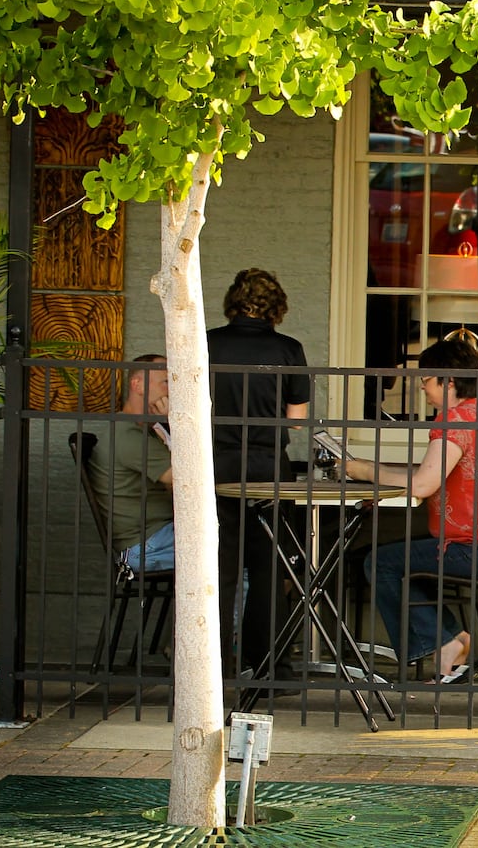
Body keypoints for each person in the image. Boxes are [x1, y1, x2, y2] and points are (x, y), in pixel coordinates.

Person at [343, 334, 478, 682]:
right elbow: (428, 475)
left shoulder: (454, 421)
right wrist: (374, 470)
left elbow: (424, 485)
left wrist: (366, 470)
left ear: (449, 381)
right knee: (402, 559)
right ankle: (449, 639)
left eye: (425, 380)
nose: (422, 389)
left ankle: (440, 642)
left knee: (380, 562)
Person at [208, 267, 312, 677]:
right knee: (269, 566)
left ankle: (213, 667)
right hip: (269, 464)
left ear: (233, 302)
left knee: (218, 566)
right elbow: (297, 422)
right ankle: (269, 665)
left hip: (218, 462)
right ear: (277, 307)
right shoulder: (289, 349)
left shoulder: (208, 343)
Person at [85, 354, 177, 574]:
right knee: (237, 551)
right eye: (166, 382)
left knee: (237, 543)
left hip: (158, 536)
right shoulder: (129, 435)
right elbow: (183, 479)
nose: (172, 390)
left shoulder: (142, 430)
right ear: (138, 384)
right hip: (145, 546)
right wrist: (177, 422)